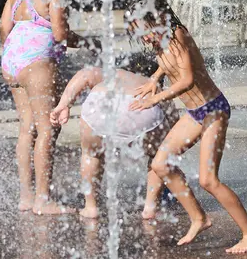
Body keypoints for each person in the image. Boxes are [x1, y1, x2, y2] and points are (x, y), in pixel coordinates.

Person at [126, 0, 247, 254]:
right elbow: (169, 64)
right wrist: (156, 77)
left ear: (158, 19)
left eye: (144, 32)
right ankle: (199, 218)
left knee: (208, 180)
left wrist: (156, 98)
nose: (144, 39)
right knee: (159, 164)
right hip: (194, 113)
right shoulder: (161, 39)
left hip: (213, 110)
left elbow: (187, 79)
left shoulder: (178, 36)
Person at [0, 0, 96, 215]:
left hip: (12, 61)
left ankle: (26, 197)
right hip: (37, 63)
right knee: (47, 130)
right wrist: (90, 42)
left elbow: (5, 27)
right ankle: (44, 200)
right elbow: (60, 33)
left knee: (26, 128)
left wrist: (16, 53)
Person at [49, 57, 184, 219]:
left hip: (100, 106)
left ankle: (91, 207)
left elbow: (84, 75)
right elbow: (175, 127)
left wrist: (63, 104)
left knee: (92, 154)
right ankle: (150, 207)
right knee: (158, 154)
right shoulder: (158, 89)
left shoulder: (116, 73)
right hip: (143, 110)